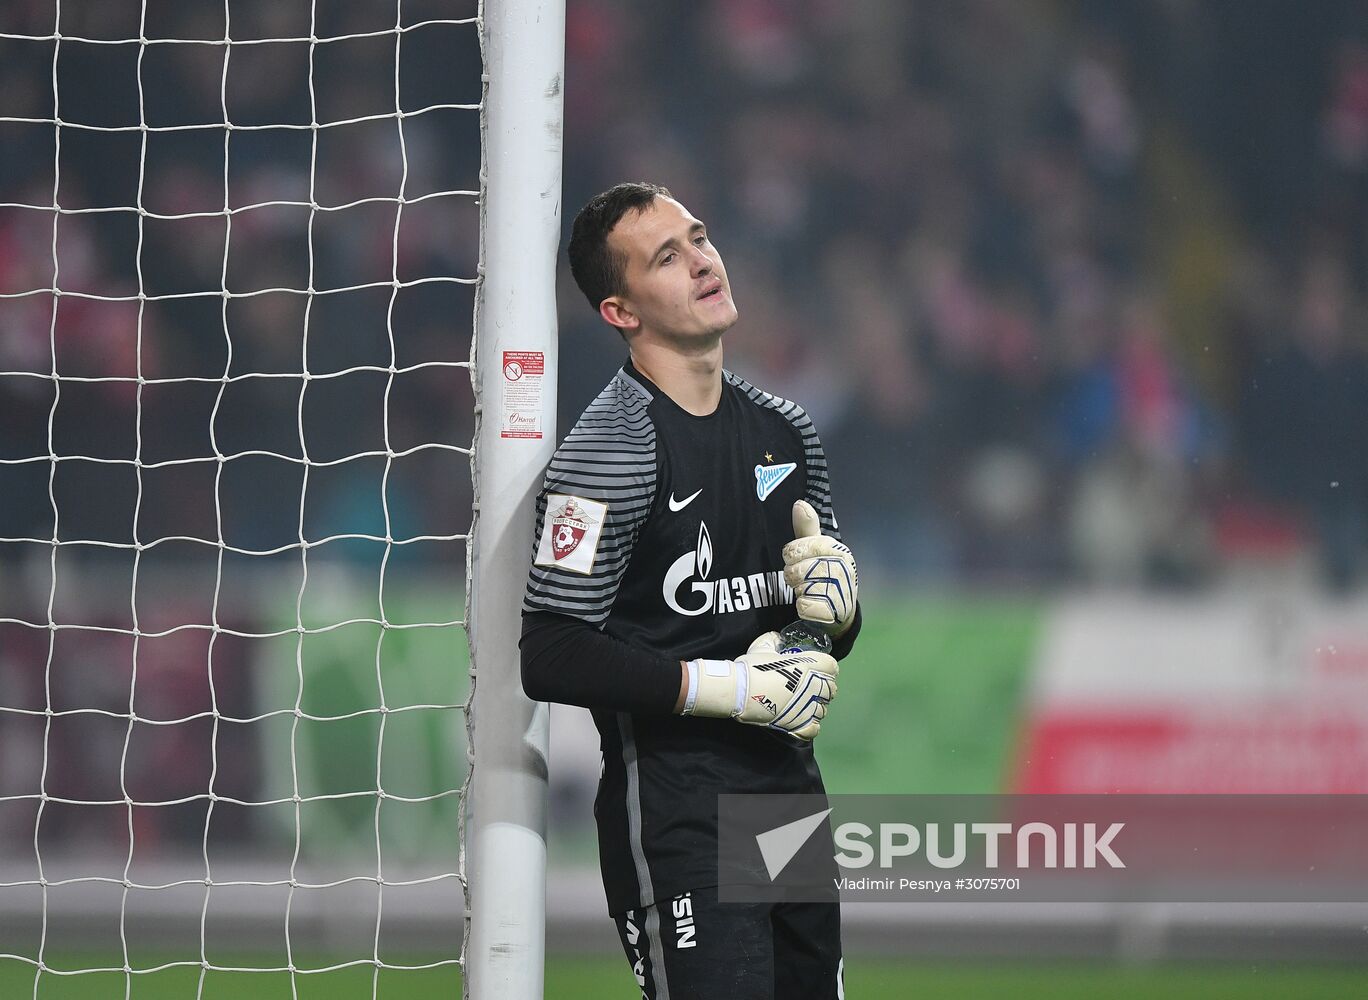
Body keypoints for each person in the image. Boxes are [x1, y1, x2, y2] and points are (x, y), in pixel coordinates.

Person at [521, 182, 861, 999]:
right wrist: (732, 688)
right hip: (677, 808)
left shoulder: (787, 430)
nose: (704, 261)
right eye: (667, 258)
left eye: (700, 239)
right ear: (620, 312)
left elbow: (818, 633)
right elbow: (551, 650)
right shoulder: (609, 452)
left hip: (789, 799)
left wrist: (838, 613)